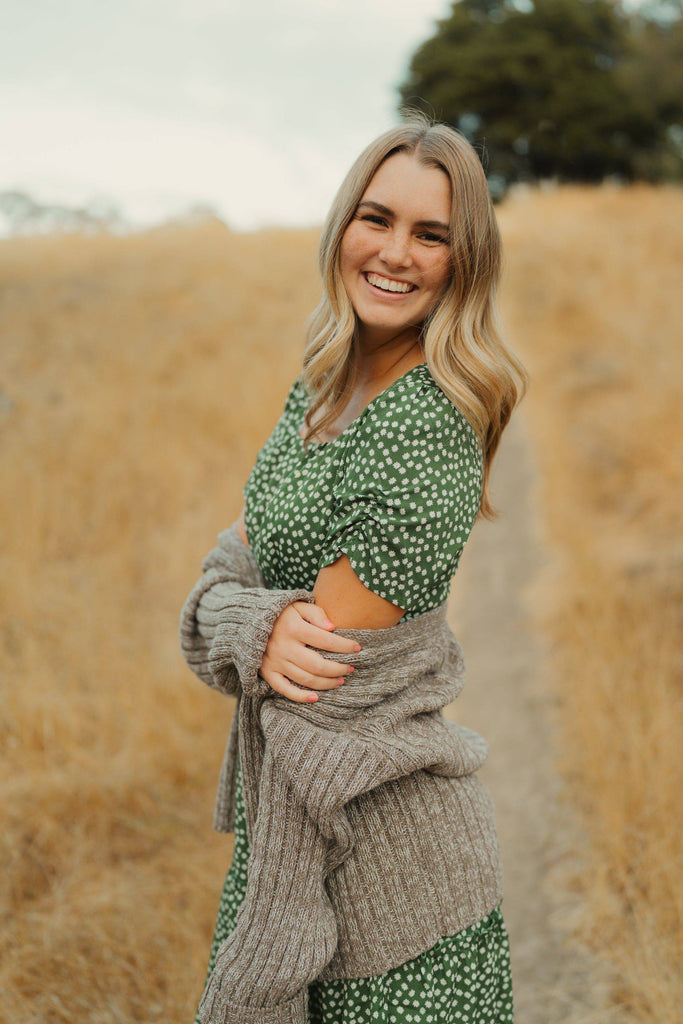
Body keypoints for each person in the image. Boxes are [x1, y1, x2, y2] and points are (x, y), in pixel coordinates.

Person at [184, 111, 529, 1024]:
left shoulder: (423, 429)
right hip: (291, 861)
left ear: (464, 261)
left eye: (431, 235)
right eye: (376, 219)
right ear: (343, 225)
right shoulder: (326, 382)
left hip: (393, 892)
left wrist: (260, 967)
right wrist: (246, 624)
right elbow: (225, 572)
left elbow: (315, 717)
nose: (395, 253)